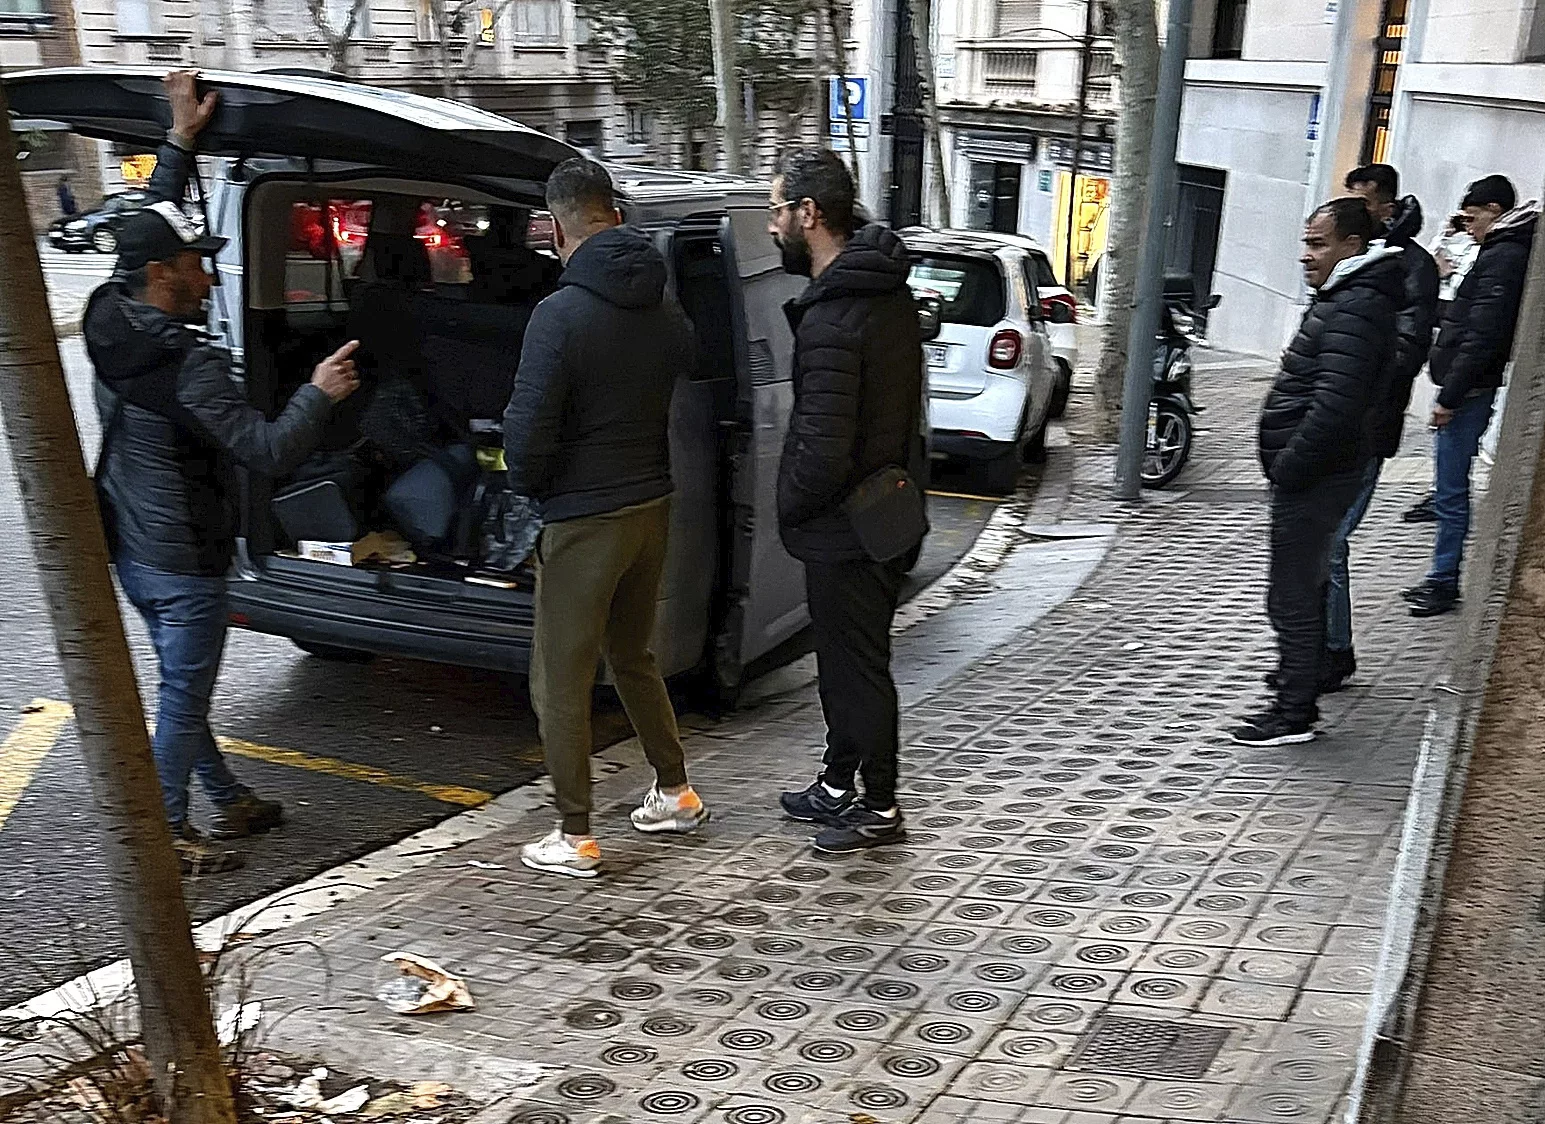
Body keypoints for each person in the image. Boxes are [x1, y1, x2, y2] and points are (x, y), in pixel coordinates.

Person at [86, 72, 361, 874]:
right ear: (163, 275)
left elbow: (147, 224)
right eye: (197, 267)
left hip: (134, 546)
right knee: (183, 695)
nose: (209, 278)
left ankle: (227, 798)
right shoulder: (189, 365)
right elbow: (267, 450)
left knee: (184, 685)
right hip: (185, 557)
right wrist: (318, 394)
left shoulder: (108, 313)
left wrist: (179, 139)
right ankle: (167, 831)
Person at [504, 157, 708, 880]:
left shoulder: (558, 315)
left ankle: (575, 834)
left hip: (583, 515)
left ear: (556, 229)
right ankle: (675, 791)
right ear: (613, 215)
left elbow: (527, 432)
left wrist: (531, 491)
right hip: (651, 504)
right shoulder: (663, 301)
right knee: (632, 655)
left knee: (559, 678)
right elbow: (688, 359)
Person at [768, 148, 924, 851]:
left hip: (848, 524)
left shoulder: (834, 316)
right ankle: (837, 783)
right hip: (883, 509)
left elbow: (824, 446)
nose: (772, 225)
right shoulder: (883, 291)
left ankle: (880, 807)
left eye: (777, 209)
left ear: (809, 214)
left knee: (857, 668)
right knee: (845, 661)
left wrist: (791, 502)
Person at [1233, 198, 1404, 746]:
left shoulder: (1356, 306)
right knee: (1299, 589)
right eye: (1305, 243)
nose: (1306, 255)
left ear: (1351, 246)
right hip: (1318, 473)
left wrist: (1290, 467)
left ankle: (1293, 712)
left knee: (1293, 595)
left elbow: (1337, 405)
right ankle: (1298, 685)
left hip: (1317, 476)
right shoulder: (1347, 298)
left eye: (1317, 244)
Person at [1315, 165, 1439, 690]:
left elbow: (1407, 350)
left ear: (1386, 208)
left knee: (1329, 542)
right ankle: (1321, 650)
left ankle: (1333, 651)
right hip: (1333, 422)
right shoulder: (1353, 260)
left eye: (1363, 204)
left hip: (1365, 426)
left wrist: (1351, 367)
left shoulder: (1410, 266)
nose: (1354, 212)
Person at [1405, 175, 1541, 617]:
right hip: (1469, 385)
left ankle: (1443, 579)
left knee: (1450, 490)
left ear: (1494, 211)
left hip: (1469, 390)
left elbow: (1482, 334)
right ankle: (1441, 575)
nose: (1468, 226)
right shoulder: (1501, 249)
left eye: (1473, 217)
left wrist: (1449, 397)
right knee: (1449, 488)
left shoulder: (1503, 256)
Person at [1404, 211, 1483, 525]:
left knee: (1455, 441)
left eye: (1472, 217)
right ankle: (1440, 493)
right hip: (1445, 342)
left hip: (1463, 355)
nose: (1468, 225)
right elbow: (1434, 264)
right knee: (1445, 439)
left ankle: (1445, 500)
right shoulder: (1462, 244)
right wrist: (1446, 234)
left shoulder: (1486, 255)